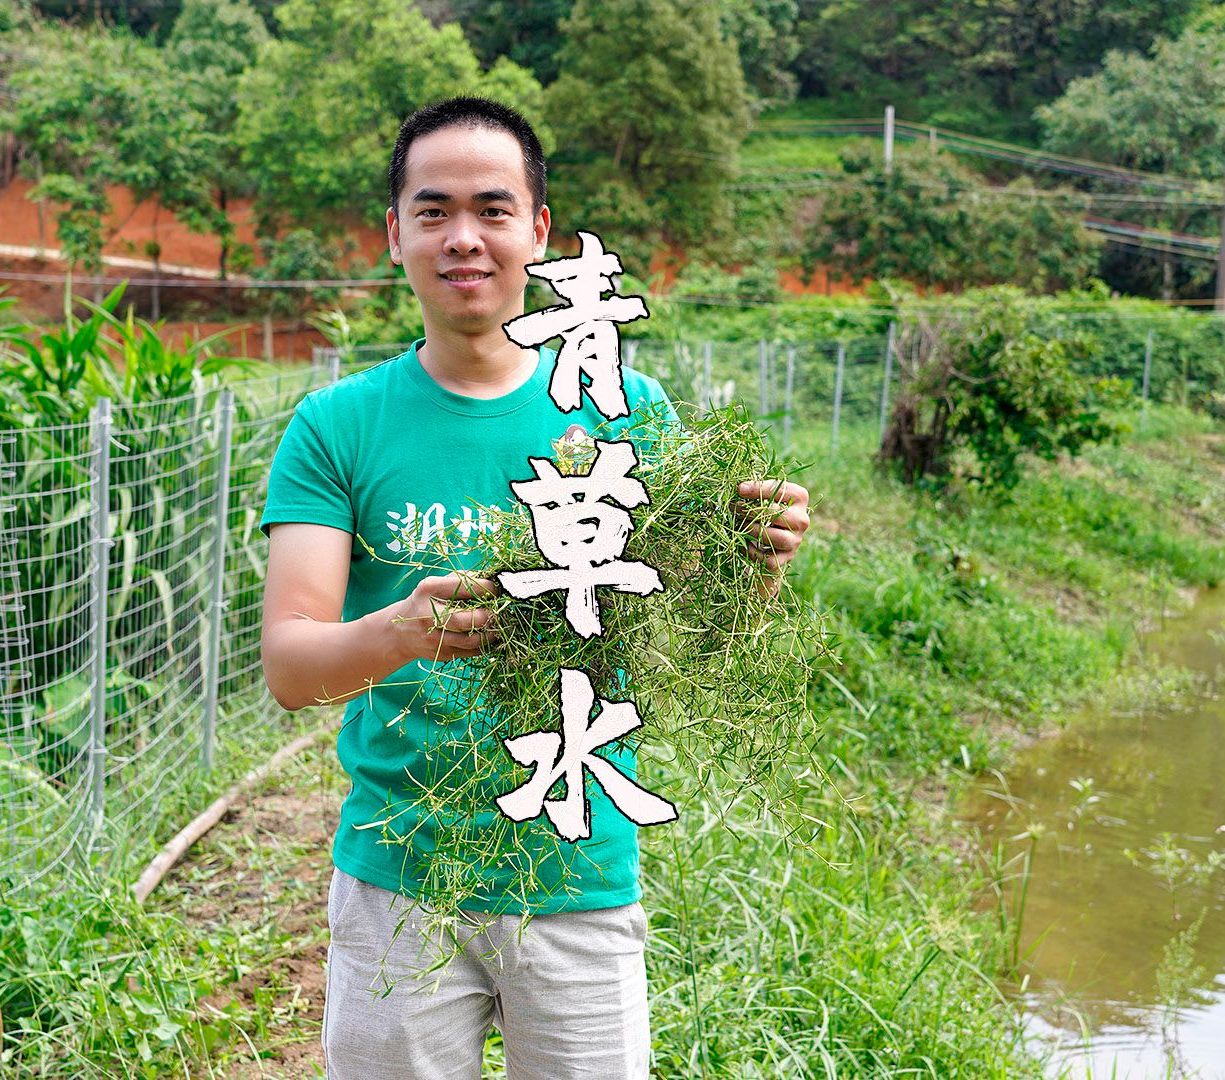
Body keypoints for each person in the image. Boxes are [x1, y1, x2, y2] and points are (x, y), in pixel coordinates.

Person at [258, 96, 811, 1080]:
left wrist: (752, 568)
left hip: (578, 874)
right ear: (395, 236)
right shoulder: (337, 425)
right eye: (432, 212)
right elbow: (293, 665)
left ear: (540, 234)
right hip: (401, 882)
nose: (463, 237)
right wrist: (398, 631)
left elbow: (699, 628)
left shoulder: (626, 415)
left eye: (493, 209)